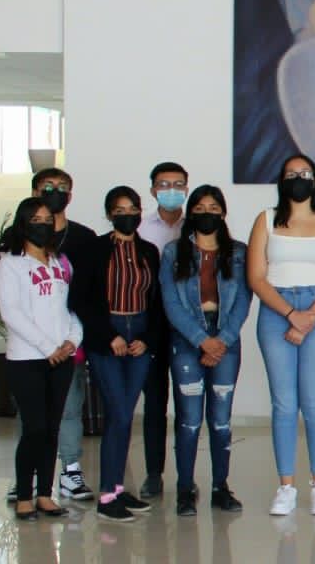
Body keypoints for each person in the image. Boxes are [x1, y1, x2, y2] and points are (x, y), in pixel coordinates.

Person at [246, 155, 315, 516]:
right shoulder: (265, 220)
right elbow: (256, 277)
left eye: (304, 173)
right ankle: (286, 486)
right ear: (281, 181)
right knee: (285, 404)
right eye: (291, 174)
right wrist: (291, 315)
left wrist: (309, 317)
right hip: (276, 312)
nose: (298, 179)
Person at [0, 170, 97, 505]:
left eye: (46, 221)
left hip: (63, 356)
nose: (42, 225)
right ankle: (25, 492)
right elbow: (11, 312)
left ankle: (47, 492)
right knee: (34, 427)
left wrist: (72, 341)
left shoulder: (60, 260)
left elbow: (71, 306)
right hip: (28, 357)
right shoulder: (10, 262)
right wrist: (47, 347)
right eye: (35, 220)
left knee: (55, 425)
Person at [71, 187, 167, 522]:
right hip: (106, 336)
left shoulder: (148, 251)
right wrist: (106, 335)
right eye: (119, 210)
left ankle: (118, 487)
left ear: (141, 211)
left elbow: (156, 301)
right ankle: (107, 496)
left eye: (133, 209)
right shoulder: (94, 250)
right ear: (110, 214)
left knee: (124, 413)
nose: (127, 215)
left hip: (138, 335)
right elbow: (79, 299)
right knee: (119, 413)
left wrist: (147, 339)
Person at [160, 186, 250, 517]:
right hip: (186, 340)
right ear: (191, 213)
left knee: (221, 421)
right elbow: (171, 302)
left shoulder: (238, 252)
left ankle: (219, 487)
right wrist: (202, 340)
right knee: (189, 420)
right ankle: (185, 488)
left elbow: (243, 300)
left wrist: (221, 340)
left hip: (226, 340)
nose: (206, 213)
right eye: (199, 207)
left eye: (213, 207)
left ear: (223, 213)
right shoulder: (173, 252)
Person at [136, 161, 188, 500]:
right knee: (155, 402)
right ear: (153, 190)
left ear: (186, 188)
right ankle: (154, 473)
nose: (171, 190)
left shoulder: (196, 226)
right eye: (164, 184)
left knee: (187, 405)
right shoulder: (140, 228)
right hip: (151, 325)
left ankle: (186, 477)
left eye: (178, 184)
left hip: (187, 327)